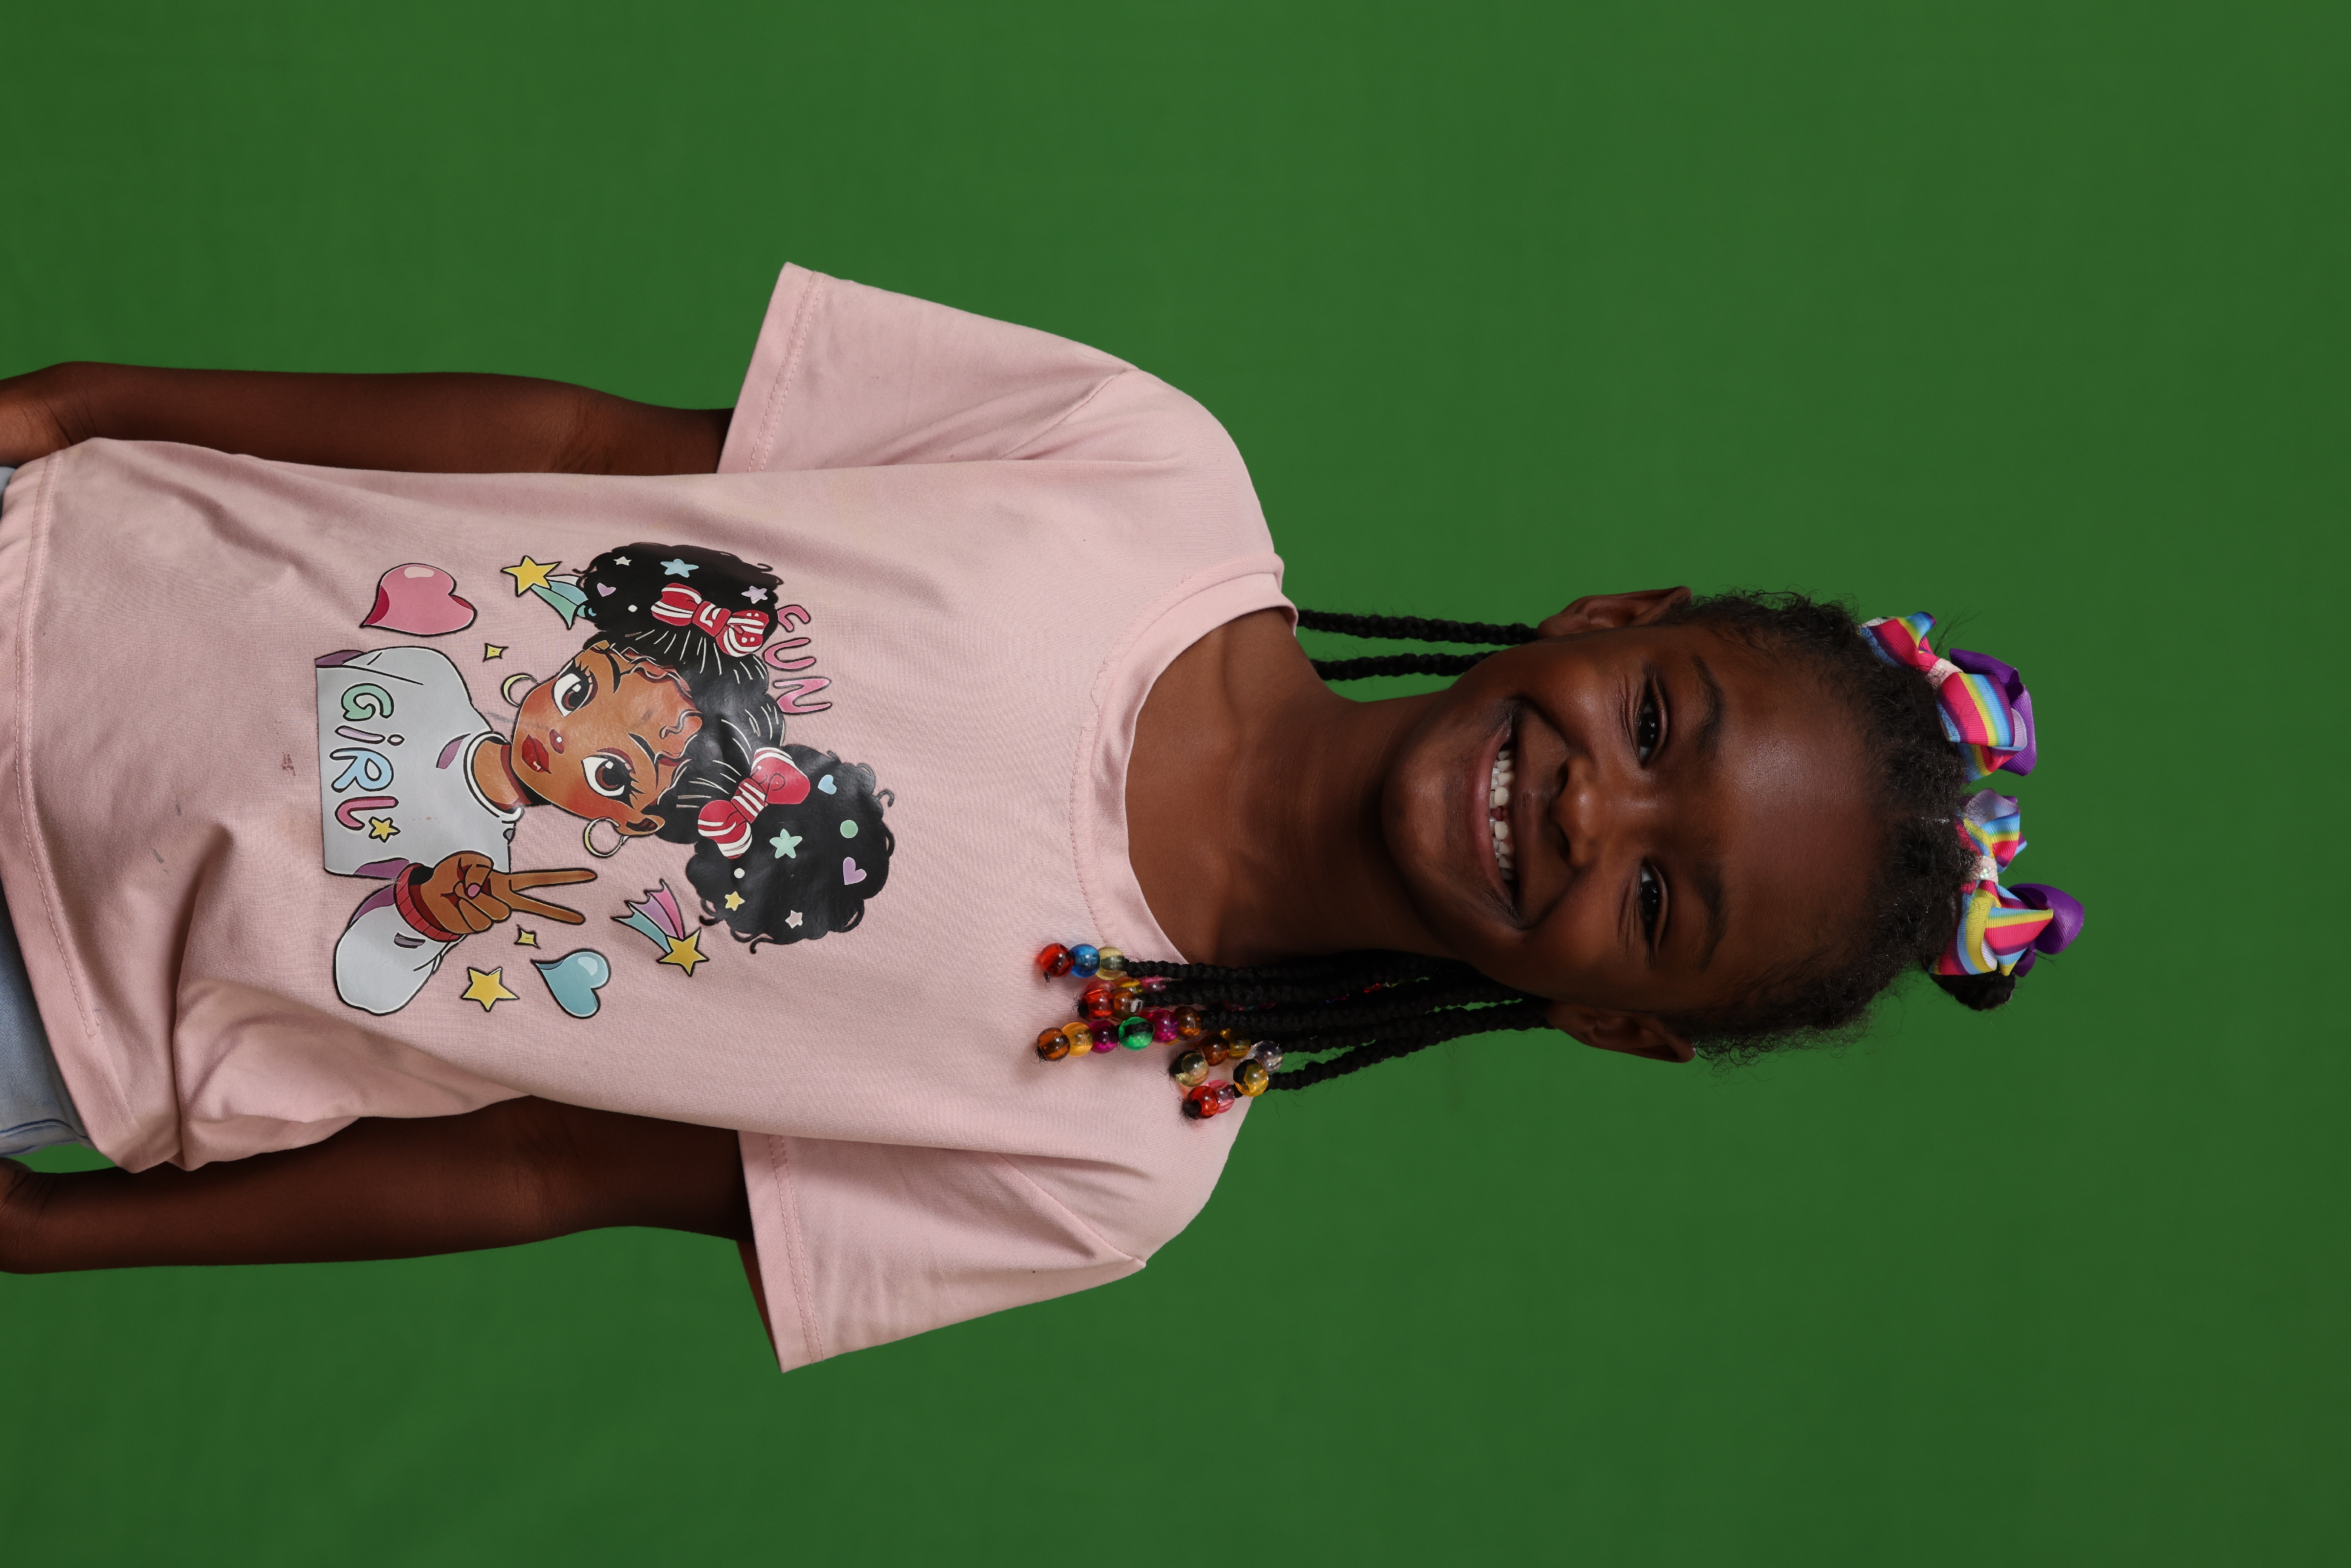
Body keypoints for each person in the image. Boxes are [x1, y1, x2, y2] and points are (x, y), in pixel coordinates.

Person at [0, 266, 2082, 1370]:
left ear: (1622, 1023)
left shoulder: (1110, 1161)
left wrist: (70, 1233)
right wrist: (92, 404)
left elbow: (546, 1168)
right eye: (1657, 721)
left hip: (72, 1016)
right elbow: (576, 443)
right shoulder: (1145, 471)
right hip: (73, 583)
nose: (1595, 806)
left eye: (1660, 904)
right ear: (1613, 620)